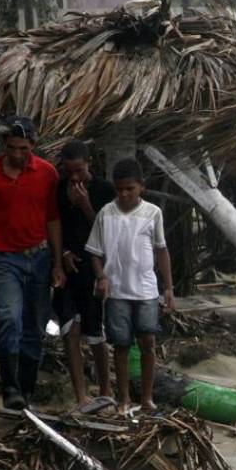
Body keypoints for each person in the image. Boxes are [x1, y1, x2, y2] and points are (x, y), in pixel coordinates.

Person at [0, 116, 66, 410]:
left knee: (35, 326)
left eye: (23, 148)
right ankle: (10, 387)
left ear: (33, 145)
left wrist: (57, 263)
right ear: (4, 146)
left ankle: (26, 391)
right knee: (8, 318)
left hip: (40, 257)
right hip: (3, 259)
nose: (18, 155)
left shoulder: (46, 173)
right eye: (12, 148)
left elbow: (53, 219)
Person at [85, 158, 174, 415]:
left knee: (147, 341)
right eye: (120, 189)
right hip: (116, 291)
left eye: (130, 189)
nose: (124, 194)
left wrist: (168, 288)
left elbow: (161, 250)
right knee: (121, 345)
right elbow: (94, 252)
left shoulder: (152, 213)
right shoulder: (106, 213)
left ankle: (146, 399)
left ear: (141, 187)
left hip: (146, 289)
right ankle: (123, 399)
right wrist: (101, 276)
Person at [53, 139, 115, 407]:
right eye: (69, 172)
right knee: (70, 330)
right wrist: (62, 253)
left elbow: (107, 232)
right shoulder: (58, 189)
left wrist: (86, 204)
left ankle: (105, 389)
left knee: (95, 332)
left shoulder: (104, 189)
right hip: (67, 267)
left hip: (94, 268)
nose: (75, 177)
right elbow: (55, 226)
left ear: (88, 163)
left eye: (79, 170)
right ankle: (80, 394)